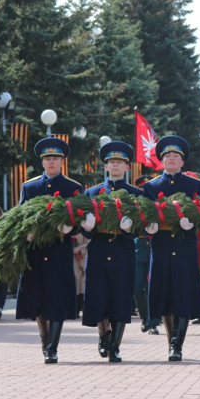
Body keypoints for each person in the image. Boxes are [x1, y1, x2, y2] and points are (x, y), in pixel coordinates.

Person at [16, 136, 83, 363]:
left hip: (58, 249)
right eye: (47, 159)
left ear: (62, 161)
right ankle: (45, 341)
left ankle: (52, 347)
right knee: (37, 298)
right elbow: (20, 216)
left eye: (55, 158)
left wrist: (70, 227)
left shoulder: (73, 187)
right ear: (42, 162)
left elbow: (79, 220)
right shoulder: (30, 186)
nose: (51, 162)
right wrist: (25, 233)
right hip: (35, 249)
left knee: (57, 298)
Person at [142, 135, 200, 362]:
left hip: (184, 244)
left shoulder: (195, 185)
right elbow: (145, 215)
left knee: (183, 293)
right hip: (161, 244)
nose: (171, 159)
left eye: (175, 156)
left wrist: (193, 223)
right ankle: (171, 342)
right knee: (165, 293)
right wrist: (148, 227)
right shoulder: (150, 187)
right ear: (161, 161)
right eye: (167, 156)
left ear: (182, 162)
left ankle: (177, 344)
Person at [79, 141, 144, 363]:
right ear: (105, 166)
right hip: (98, 249)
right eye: (111, 162)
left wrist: (131, 228)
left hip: (122, 249)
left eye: (120, 162)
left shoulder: (136, 193)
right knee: (99, 296)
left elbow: (142, 225)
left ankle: (114, 346)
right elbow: (84, 228)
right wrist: (87, 227)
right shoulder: (92, 192)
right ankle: (103, 334)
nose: (115, 165)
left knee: (120, 297)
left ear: (127, 167)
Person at [133, 175, 160, 335]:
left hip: (154, 248)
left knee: (152, 287)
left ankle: (153, 321)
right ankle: (144, 317)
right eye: (142, 188)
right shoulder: (136, 205)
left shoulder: (157, 205)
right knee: (137, 287)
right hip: (139, 248)